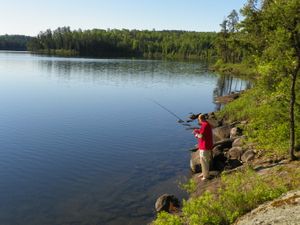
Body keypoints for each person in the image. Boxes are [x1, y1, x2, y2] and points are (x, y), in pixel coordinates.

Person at [193, 114, 213, 180]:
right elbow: (202, 132)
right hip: (203, 146)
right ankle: (203, 173)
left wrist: (195, 134)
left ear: (200, 119)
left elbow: (201, 136)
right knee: (202, 160)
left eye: (198, 119)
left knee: (205, 161)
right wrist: (197, 130)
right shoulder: (205, 124)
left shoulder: (204, 125)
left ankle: (206, 176)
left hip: (205, 146)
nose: (198, 121)